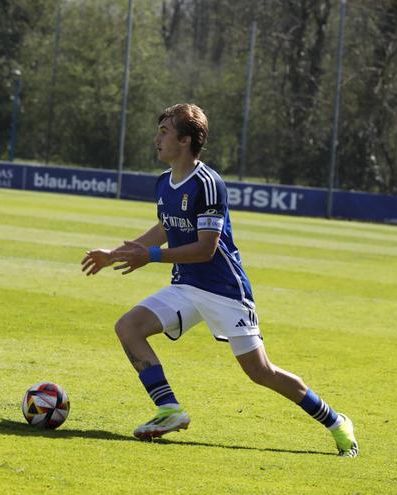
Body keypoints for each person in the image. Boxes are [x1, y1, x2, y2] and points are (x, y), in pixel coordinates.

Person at [80, 103, 359, 456]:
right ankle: (169, 410)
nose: (157, 139)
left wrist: (149, 256)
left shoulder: (209, 184)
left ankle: (336, 421)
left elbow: (206, 248)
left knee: (261, 372)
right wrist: (114, 254)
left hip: (225, 290)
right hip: (185, 286)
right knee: (128, 327)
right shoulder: (165, 183)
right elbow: (167, 226)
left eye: (164, 132)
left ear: (184, 140)